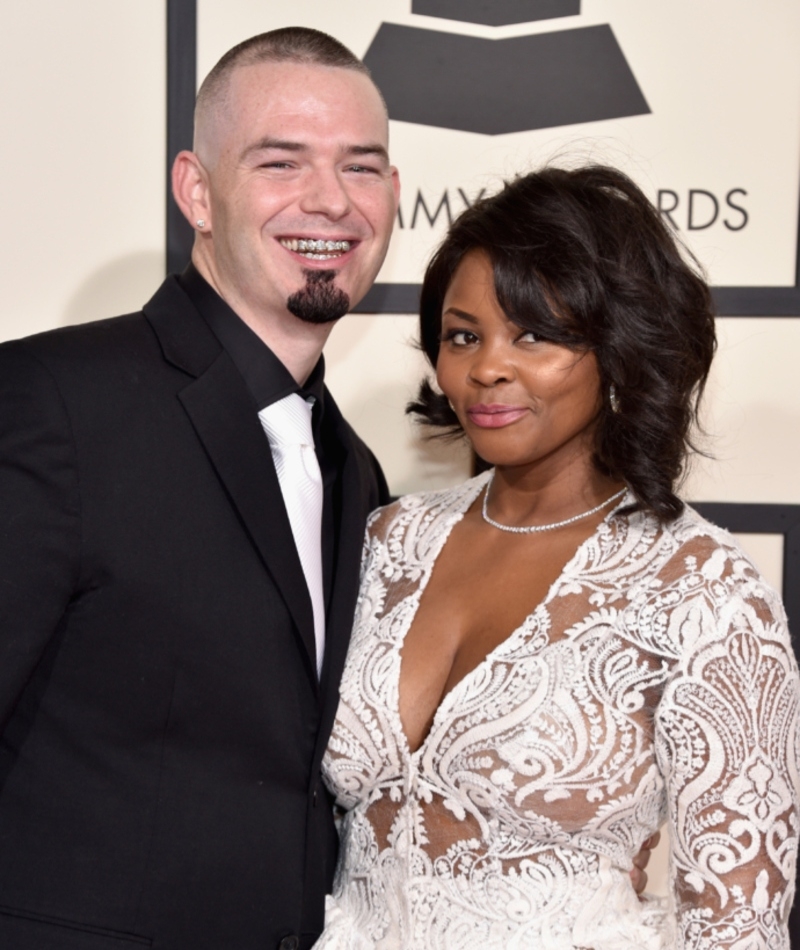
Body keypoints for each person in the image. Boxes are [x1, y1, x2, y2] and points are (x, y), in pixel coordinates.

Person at [316, 165, 800, 949]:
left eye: (535, 333)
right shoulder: (388, 541)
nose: (486, 369)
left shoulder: (704, 590)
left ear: (619, 345)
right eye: (463, 335)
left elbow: (739, 930)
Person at [0, 27, 397, 950]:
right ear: (196, 191)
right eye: (281, 161)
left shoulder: (360, 470)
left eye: (363, 167)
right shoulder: (50, 402)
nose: (330, 200)